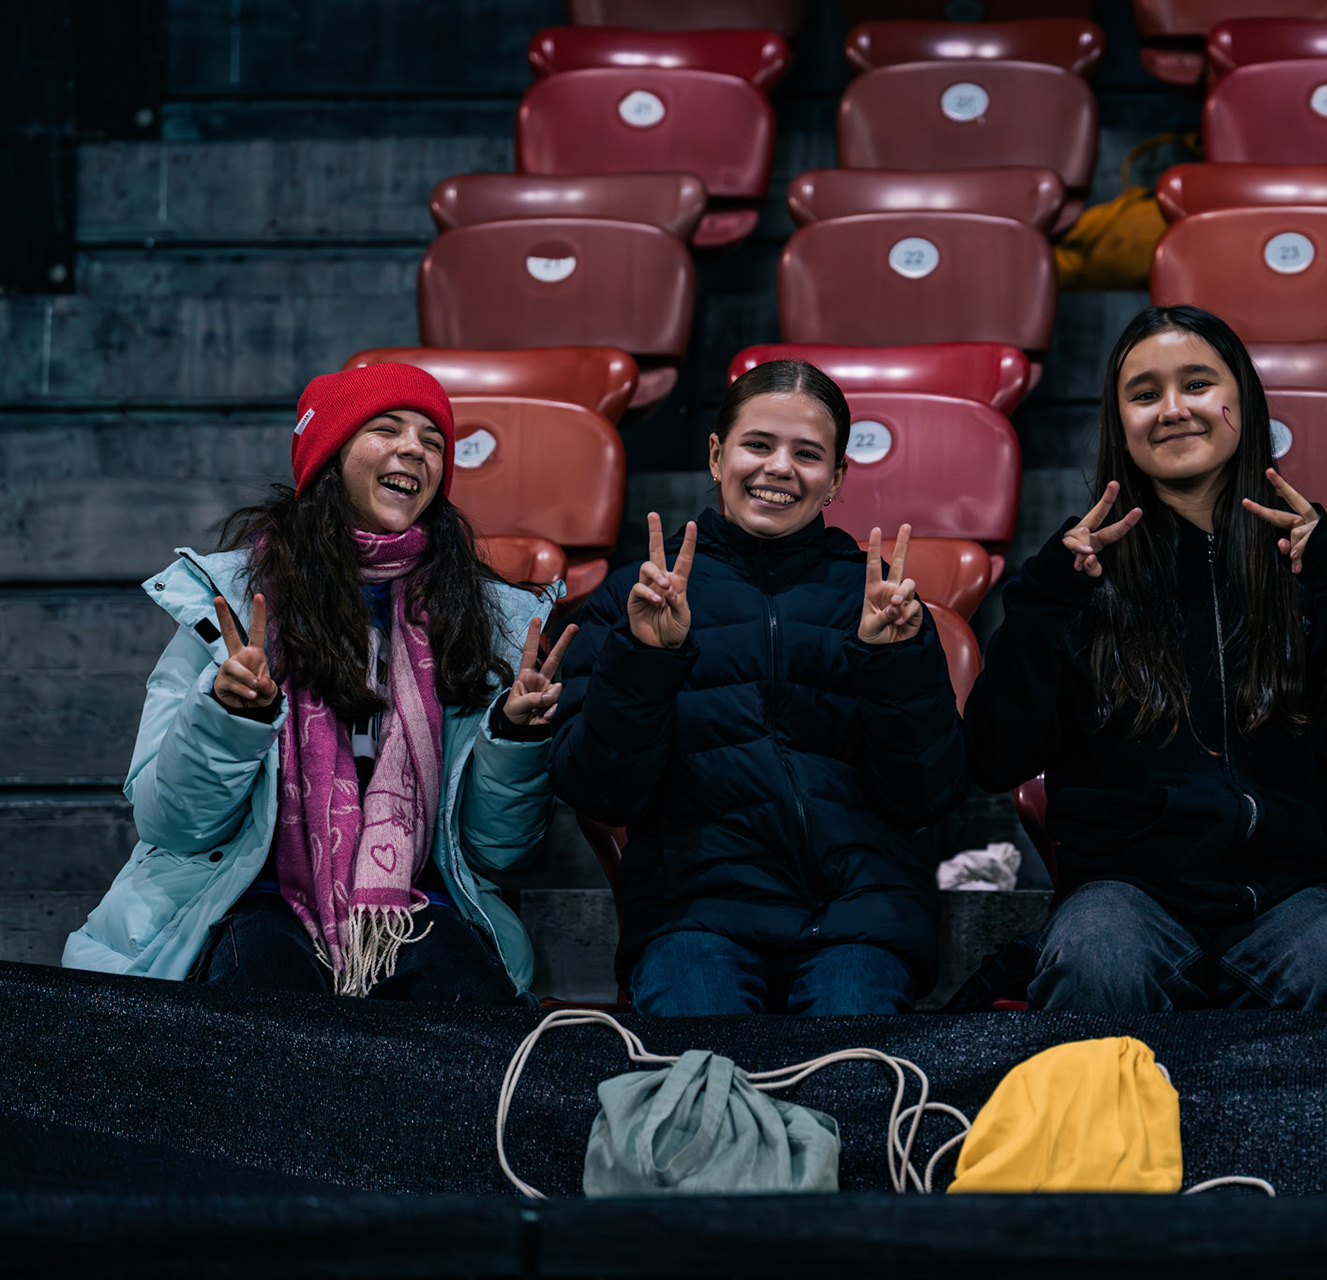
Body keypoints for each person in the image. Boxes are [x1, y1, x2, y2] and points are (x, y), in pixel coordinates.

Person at [964, 304, 1327, 1014]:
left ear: (1242, 399)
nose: (1174, 409)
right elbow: (995, 757)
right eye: (1145, 394)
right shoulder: (1077, 574)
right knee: (1098, 964)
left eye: (1198, 384)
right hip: (1122, 894)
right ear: (1121, 425)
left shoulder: (1317, 570)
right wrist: (1043, 604)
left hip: (1291, 893)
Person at [64, 363, 573, 1004]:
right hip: (253, 894)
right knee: (275, 1023)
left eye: (432, 439)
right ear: (330, 456)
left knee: (469, 1025)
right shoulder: (234, 604)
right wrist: (229, 717)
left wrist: (512, 738)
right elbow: (174, 824)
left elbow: (495, 854)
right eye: (386, 429)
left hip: (415, 900)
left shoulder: (477, 617)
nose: (414, 448)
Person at [548, 359, 967, 1017]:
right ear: (717, 456)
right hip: (695, 916)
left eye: (807, 454)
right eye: (758, 445)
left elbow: (929, 795)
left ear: (835, 480)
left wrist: (894, 664)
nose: (779, 468)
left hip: (858, 917)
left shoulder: (877, 600)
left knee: (852, 1078)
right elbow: (598, 791)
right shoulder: (641, 597)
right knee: (700, 1082)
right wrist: (645, 659)